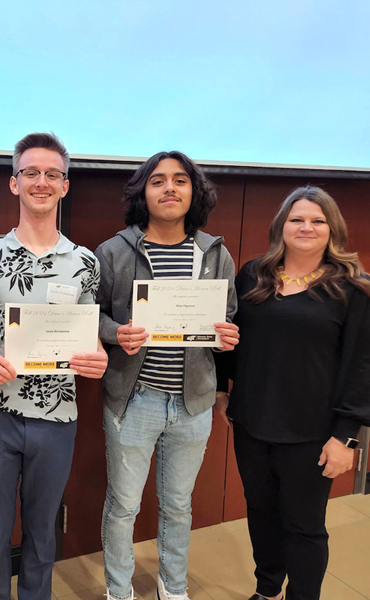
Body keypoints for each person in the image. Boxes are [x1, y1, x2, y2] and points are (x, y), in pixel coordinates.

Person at [216, 186, 370, 600]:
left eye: (317, 220)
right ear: (281, 226)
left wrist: (346, 437)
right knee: (260, 513)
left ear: (333, 229)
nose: (306, 227)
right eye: (297, 219)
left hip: (314, 431)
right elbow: (230, 337)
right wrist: (222, 390)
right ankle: (268, 589)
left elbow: (366, 366)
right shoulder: (253, 274)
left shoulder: (355, 289)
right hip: (252, 421)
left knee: (305, 526)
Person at [0, 132, 108, 600]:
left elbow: (88, 333)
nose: (41, 181)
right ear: (14, 183)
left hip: (58, 416)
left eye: (52, 174)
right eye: (31, 172)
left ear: (65, 186)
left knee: (43, 531)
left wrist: (99, 357)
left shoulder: (85, 262)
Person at [95, 151, 240, 600]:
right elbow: (90, 316)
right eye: (158, 181)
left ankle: (172, 587)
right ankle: (118, 591)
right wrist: (117, 332)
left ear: (194, 191)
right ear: (144, 192)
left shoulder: (214, 253)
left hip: (193, 403)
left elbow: (228, 314)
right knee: (124, 506)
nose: (170, 188)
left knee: (178, 505)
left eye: (180, 180)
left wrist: (225, 336)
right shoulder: (114, 251)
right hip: (132, 398)